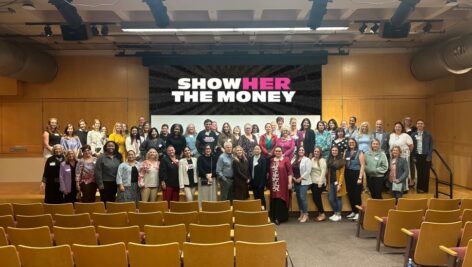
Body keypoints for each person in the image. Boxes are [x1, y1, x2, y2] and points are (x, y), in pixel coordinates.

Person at [268, 146, 293, 225]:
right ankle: (273, 217)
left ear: (282, 152)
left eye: (279, 151)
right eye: (276, 151)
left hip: (282, 184)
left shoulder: (286, 160)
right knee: (274, 199)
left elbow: (290, 172)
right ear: (274, 152)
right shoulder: (271, 160)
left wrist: (289, 183)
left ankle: (279, 218)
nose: (277, 152)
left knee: (280, 199)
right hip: (274, 184)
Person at [344, 138, 365, 221]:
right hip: (348, 173)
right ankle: (353, 211)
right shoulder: (346, 152)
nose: (351, 144)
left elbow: (362, 165)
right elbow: (344, 162)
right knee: (350, 194)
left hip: (357, 174)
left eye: (352, 142)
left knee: (357, 194)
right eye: (349, 143)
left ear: (355, 143)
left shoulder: (360, 152)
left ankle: (358, 213)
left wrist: (360, 177)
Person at [389, 122, 413, 189]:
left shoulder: (405, 135)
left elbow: (411, 146)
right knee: (394, 171)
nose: (397, 128)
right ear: (394, 128)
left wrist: (406, 153)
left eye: (399, 127)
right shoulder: (391, 135)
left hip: (403, 156)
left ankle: (404, 188)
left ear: (402, 128)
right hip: (393, 156)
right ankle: (395, 187)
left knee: (403, 172)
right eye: (396, 126)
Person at [412, 120, 433, 193]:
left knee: (426, 173)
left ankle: (425, 189)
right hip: (417, 156)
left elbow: (431, 146)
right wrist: (413, 157)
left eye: (421, 123)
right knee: (419, 172)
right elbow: (412, 147)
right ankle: (419, 188)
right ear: (416, 125)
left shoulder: (428, 134)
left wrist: (429, 156)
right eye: (418, 123)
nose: (420, 125)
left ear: (423, 125)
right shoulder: (413, 134)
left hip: (426, 156)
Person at [292, 147, 312, 223]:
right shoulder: (294, 159)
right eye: (300, 150)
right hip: (295, 181)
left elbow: (308, 171)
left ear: (304, 151)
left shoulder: (307, 160)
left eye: (302, 150)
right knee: (298, 198)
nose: (301, 151)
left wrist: (300, 178)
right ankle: (301, 213)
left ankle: (306, 215)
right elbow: (291, 169)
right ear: (297, 151)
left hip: (304, 181)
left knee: (302, 197)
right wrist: (293, 178)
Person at [327, 146, 346, 222]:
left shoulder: (342, 161)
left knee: (338, 198)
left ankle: (338, 214)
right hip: (331, 182)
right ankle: (335, 212)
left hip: (338, 182)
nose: (334, 151)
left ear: (338, 151)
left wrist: (340, 184)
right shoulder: (329, 160)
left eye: (336, 150)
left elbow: (342, 173)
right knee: (331, 199)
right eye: (333, 150)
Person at [310, 147, 327, 222]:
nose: (316, 152)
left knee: (317, 198)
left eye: (318, 151)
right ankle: (320, 213)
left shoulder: (322, 160)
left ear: (320, 153)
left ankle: (322, 214)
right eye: (315, 151)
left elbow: (323, 172)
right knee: (315, 198)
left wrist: (320, 182)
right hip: (313, 182)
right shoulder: (312, 159)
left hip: (319, 183)